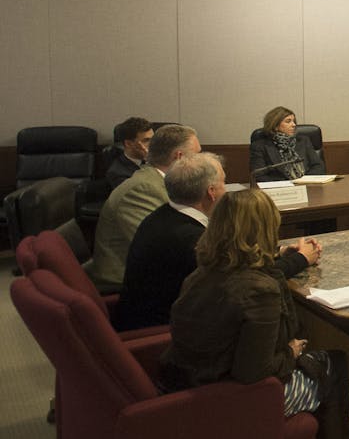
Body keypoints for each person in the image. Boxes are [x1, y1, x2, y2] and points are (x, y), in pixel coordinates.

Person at [160, 190, 349, 439]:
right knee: (331, 364)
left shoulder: (205, 270)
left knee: (316, 364)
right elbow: (254, 372)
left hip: (191, 381)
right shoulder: (259, 290)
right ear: (266, 229)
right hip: (235, 398)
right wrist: (290, 351)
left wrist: (281, 257)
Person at [113, 153, 318, 331]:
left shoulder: (164, 216)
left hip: (167, 318)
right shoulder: (191, 239)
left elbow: (235, 262)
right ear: (211, 192)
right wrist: (301, 258)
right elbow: (251, 282)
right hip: (167, 332)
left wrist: (278, 252)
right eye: (224, 183)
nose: (226, 190)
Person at [87, 124, 203, 290]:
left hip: (154, 272)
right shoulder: (143, 190)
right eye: (197, 155)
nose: (201, 162)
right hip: (124, 283)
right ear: (179, 157)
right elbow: (161, 249)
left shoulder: (158, 182)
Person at [249, 106, 325, 182]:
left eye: (294, 121)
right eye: (288, 121)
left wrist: (302, 181)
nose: (294, 125)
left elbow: (318, 166)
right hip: (278, 189)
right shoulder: (260, 146)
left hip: (307, 185)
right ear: (275, 125)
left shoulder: (303, 141)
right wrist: (288, 183)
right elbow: (259, 175)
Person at [105, 116, 153, 188]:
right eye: (146, 140)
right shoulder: (118, 173)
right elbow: (148, 193)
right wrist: (151, 163)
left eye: (154, 139)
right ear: (128, 144)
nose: (153, 143)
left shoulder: (159, 160)